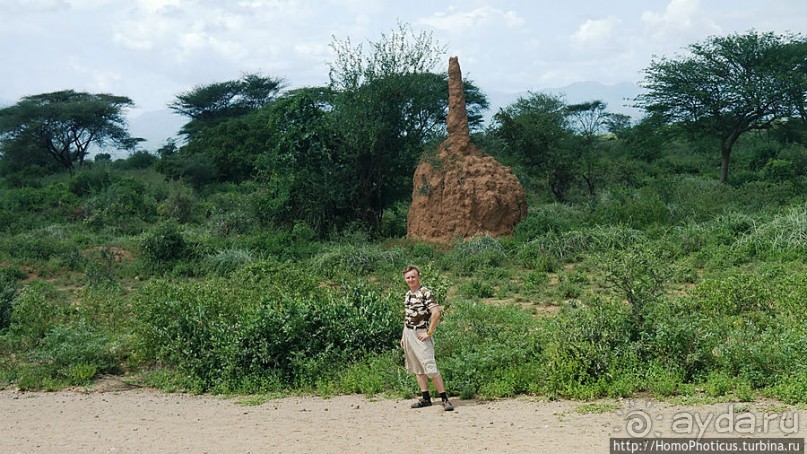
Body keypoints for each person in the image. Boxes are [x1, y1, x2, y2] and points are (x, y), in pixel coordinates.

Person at [400, 265, 453, 411]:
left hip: (421, 333)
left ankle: (444, 398)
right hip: (409, 333)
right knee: (417, 366)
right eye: (408, 277)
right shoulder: (408, 294)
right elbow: (408, 316)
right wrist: (404, 335)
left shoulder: (425, 292)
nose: (410, 280)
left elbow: (436, 313)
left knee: (429, 366)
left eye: (413, 277)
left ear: (418, 277)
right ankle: (426, 398)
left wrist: (429, 332)